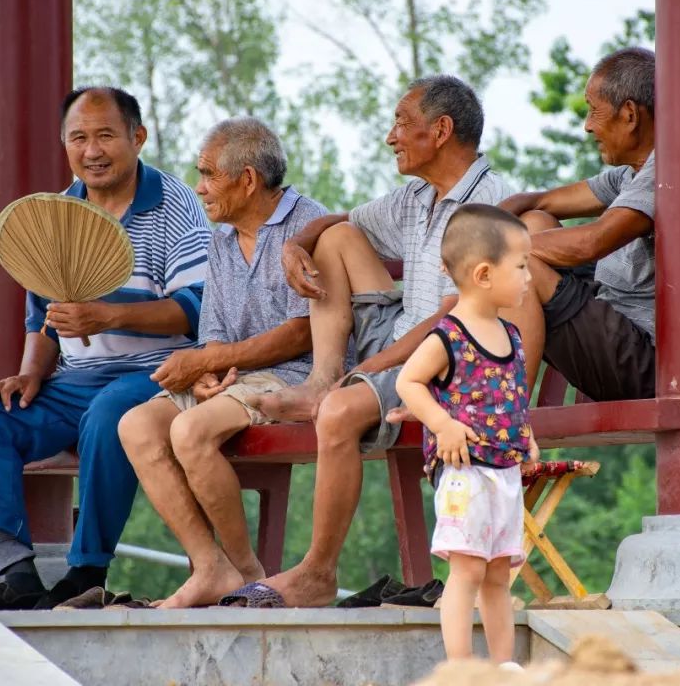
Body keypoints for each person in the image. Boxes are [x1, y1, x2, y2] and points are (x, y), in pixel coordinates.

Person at [232, 74, 522, 608]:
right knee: (335, 238)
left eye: (401, 123)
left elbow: (450, 322)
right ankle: (321, 380)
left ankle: (317, 572)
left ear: (440, 130)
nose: (391, 136)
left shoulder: (491, 205)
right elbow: (338, 221)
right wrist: (296, 243)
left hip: (448, 364)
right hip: (398, 338)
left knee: (340, 411)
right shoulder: (416, 196)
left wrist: (365, 373)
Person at [0, 86, 211, 610]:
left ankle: (87, 571)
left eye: (106, 135)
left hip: (159, 372)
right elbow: (43, 319)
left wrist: (108, 314)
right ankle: (17, 575)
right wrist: (29, 376)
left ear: (138, 137)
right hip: (74, 381)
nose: (92, 150)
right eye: (79, 137)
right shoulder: (57, 215)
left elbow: (196, 308)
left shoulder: (176, 204)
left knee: (110, 412)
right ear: (64, 144)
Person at [117, 117, 327, 608]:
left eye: (209, 174)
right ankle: (211, 568)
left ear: (248, 179)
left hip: (295, 375)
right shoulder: (223, 238)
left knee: (189, 432)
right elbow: (213, 327)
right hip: (236, 376)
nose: (200, 187)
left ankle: (251, 576)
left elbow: (302, 333)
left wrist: (213, 361)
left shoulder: (307, 227)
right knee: (137, 426)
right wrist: (209, 371)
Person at [395, 205, 539, 666]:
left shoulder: (512, 335)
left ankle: (503, 665)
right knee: (468, 568)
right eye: (521, 266)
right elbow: (408, 383)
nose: (529, 277)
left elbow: (509, 395)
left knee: (499, 571)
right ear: (483, 273)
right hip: (464, 473)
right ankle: (460, 667)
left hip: (505, 470)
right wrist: (442, 423)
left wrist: (527, 434)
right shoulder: (448, 336)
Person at [500, 47, 656, 402]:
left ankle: (505, 415)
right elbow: (541, 202)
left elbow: (592, 243)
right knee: (536, 223)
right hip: (613, 324)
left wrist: (490, 247)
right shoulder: (634, 173)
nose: (587, 126)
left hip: (641, 358)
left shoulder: (664, 173)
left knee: (517, 264)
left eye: (594, 111)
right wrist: (486, 222)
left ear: (629, 114)